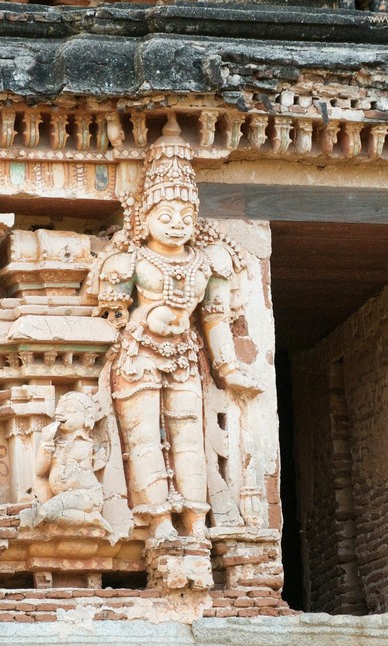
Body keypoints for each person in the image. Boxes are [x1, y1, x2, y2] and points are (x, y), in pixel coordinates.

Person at [88, 115, 261, 542]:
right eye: (165, 213)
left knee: (189, 437)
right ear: (142, 217)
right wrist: (142, 319)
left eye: (186, 214)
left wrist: (229, 368)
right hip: (138, 355)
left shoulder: (211, 262)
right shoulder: (128, 262)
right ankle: (160, 523)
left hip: (186, 356)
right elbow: (110, 321)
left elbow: (216, 320)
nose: (178, 223)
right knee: (144, 438)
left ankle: (196, 524)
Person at [33, 391, 111, 532]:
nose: (60, 413)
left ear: (86, 417)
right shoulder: (56, 443)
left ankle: (93, 519)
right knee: (46, 507)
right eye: (59, 409)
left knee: (46, 512)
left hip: (86, 496)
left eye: (70, 410)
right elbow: (40, 471)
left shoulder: (84, 444)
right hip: (65, 497)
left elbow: (70, 474)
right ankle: (89, 519)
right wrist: (46, 442)